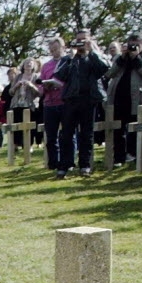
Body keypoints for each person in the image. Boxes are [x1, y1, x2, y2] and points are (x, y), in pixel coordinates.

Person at [56, 34, 108, 178]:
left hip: (89, 99)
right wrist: (71, 57)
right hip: (71, 100)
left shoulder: (93, 57)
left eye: (83, 40)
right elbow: (59, 75)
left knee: (87, 134)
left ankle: (85, 165)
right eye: (78, 40)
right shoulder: (69, 59)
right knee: (66, 134)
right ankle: (64, 165)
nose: (80, 43)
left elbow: (104, 69)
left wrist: (92, 51)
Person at [107, 33, 142, 168]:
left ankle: (134, 154)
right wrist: (122, 57)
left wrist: (136, 57)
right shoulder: (122, 58)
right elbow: (111, 73)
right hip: (119, 97)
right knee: (118, 129)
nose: (133, 46)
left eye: (136, 43)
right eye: (131, 43)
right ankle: (119, 157)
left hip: (137, 97)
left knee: (134, 127)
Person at [39, 37, 70, 170]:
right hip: (49, 104)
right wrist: (45, 87)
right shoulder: (46, 66)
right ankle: (53, 163)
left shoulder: (69, 62)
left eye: (56, 49)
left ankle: (68, 162)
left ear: (63, 48)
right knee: (51, 137)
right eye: (51, 50)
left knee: (67, 135)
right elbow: (40, 86)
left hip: (64, 102)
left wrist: (60, 85)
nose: (53, 52)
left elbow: (72, 83)